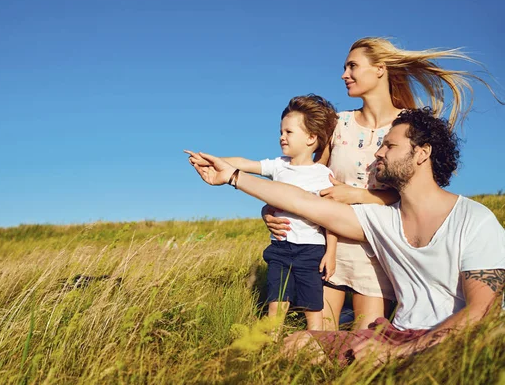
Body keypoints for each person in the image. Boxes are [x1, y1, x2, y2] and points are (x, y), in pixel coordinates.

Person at [187, 108, 505, 364]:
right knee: (296, 345)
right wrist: (233, 176)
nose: (378, 153)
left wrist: (399, 352)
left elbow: (481, 314)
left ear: (422, 154)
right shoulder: (382, 220)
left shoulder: (474, 220)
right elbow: (304, 202)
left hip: (453, 342)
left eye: (390, 145)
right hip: (396, 334)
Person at [263, 37, 504, 330]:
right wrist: (269, 210)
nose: (344, 74)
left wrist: (358, 195)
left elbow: (417, 194)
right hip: (330, 246)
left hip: (379, 248)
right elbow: (305, 176)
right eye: (344, 67)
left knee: (363, 345)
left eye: (352, 66)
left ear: (380, 69)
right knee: (320, 339)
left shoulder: (406, 128)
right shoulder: (339, 123)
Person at [186, 95, 338, 330]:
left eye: (288, 132)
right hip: (279, 246)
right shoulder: (279, 165)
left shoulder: (322, 175)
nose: (281, 136)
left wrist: (331, 252)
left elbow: (331, 218)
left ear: (311, 137)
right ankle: (271, 343)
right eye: (281, 131)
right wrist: (213, 160)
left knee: (313, 306)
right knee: (276, 303)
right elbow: (244, 164)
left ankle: (315, 343)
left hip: (311, 250)